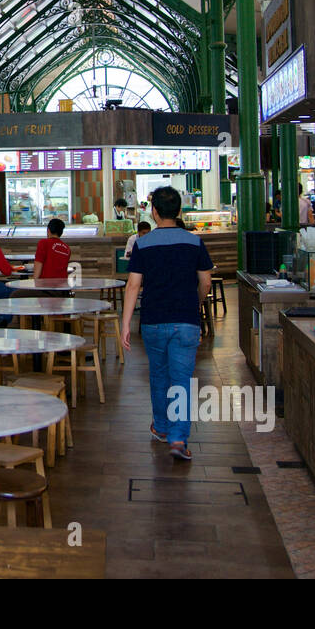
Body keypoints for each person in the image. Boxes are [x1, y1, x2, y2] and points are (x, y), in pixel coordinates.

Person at [120, 186, 212, 462]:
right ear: (179, 211)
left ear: (154, 211)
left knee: (159, 376)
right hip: (186, 320)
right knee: (181, 379)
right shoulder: (194, 242)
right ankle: (178, 438)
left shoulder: (143, 244)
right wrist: (196, 301)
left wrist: (125, 324)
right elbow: (206, 281)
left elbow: (133, 286)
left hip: (153, 320)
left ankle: (161, 426)